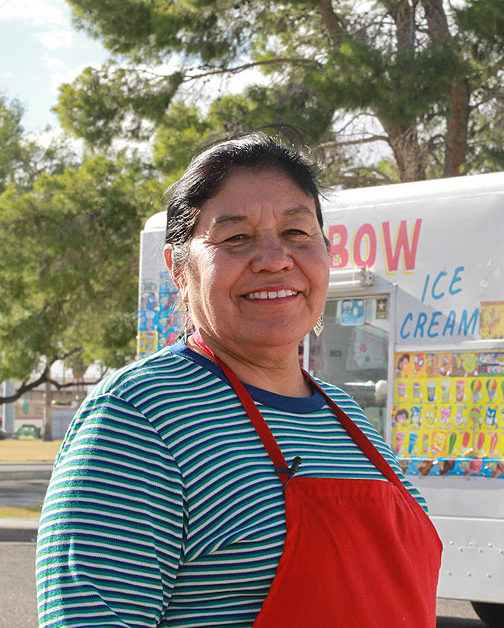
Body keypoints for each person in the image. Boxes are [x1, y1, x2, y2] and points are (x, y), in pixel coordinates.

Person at [35, 133, 442, 627]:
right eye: (235, 238)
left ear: (327, 253)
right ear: (179, 270)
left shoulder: (345, 414)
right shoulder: (140, 416)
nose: (274, 259)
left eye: (297, 233)